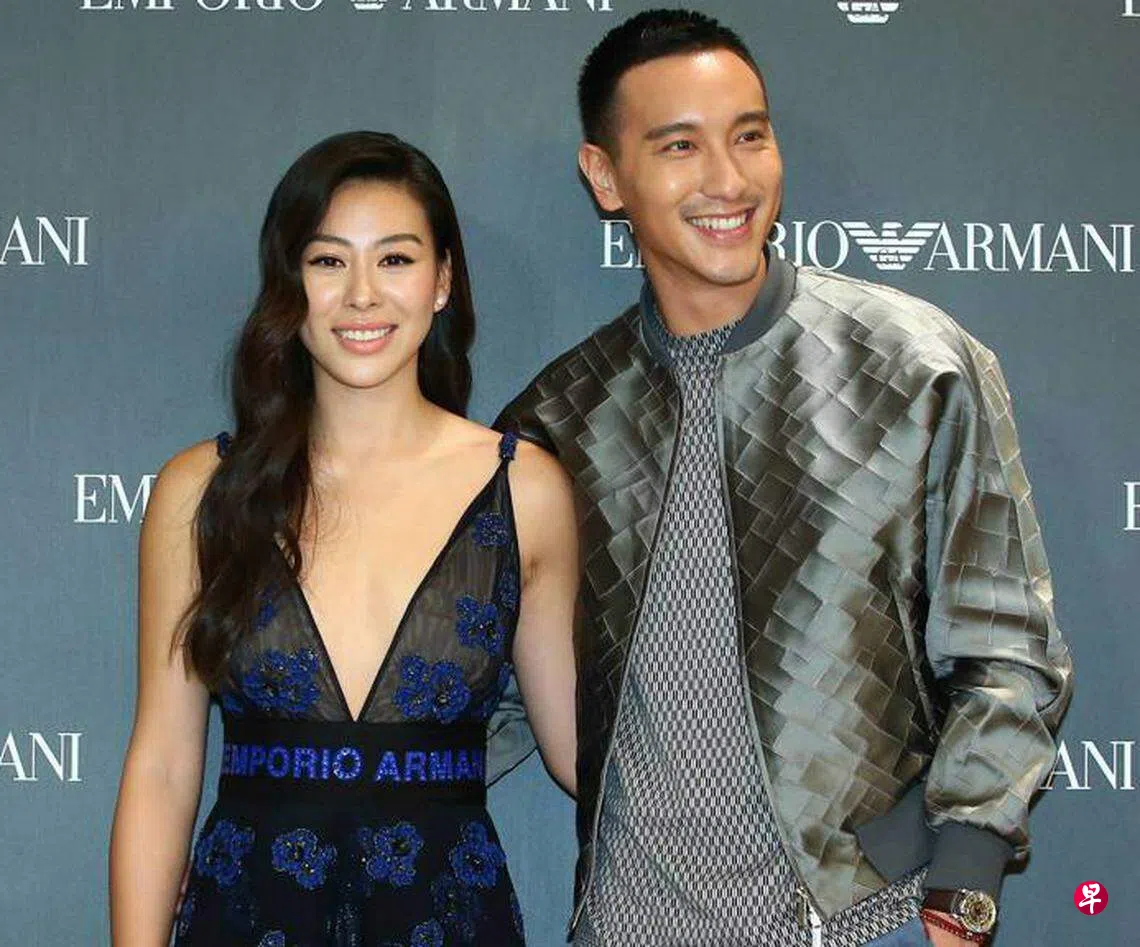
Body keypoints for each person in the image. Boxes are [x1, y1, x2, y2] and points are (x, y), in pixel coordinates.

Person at [496, 10, 1073, 947]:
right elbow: (485, 683)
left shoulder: (915, 366)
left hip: (865, 920)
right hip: (624, 925)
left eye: (750, 136)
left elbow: (1006, 645)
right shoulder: (559, 418)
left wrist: (964, 883)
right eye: (680, 146)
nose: (728, 180)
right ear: (605, 176)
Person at [109, 130, 578, 947]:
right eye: (328, 261)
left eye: (395, 259)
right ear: (289, 284)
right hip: (247, 916)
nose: (362, 295)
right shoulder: (201, 490)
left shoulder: (523, 488)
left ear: (442, 281)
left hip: (449, 921)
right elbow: (163, 767)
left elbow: (579, 753)